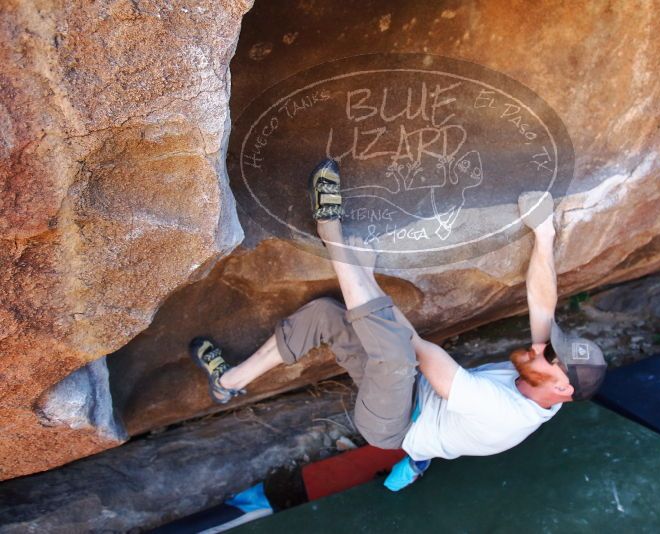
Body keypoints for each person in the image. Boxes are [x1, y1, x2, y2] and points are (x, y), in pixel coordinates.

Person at [190, 158, 607, 491]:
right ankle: (227, 383)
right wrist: (544, 232)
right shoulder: (545, 378)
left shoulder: (505, 413)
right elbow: (543, 306)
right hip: (415, 390)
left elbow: (419, 349)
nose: (540, 347)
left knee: (396, 356)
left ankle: (329, 229)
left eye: (550, 356)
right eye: (551, 345)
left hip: (396, 425)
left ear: (562, 389)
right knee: (325, 315)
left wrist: (364, 272)